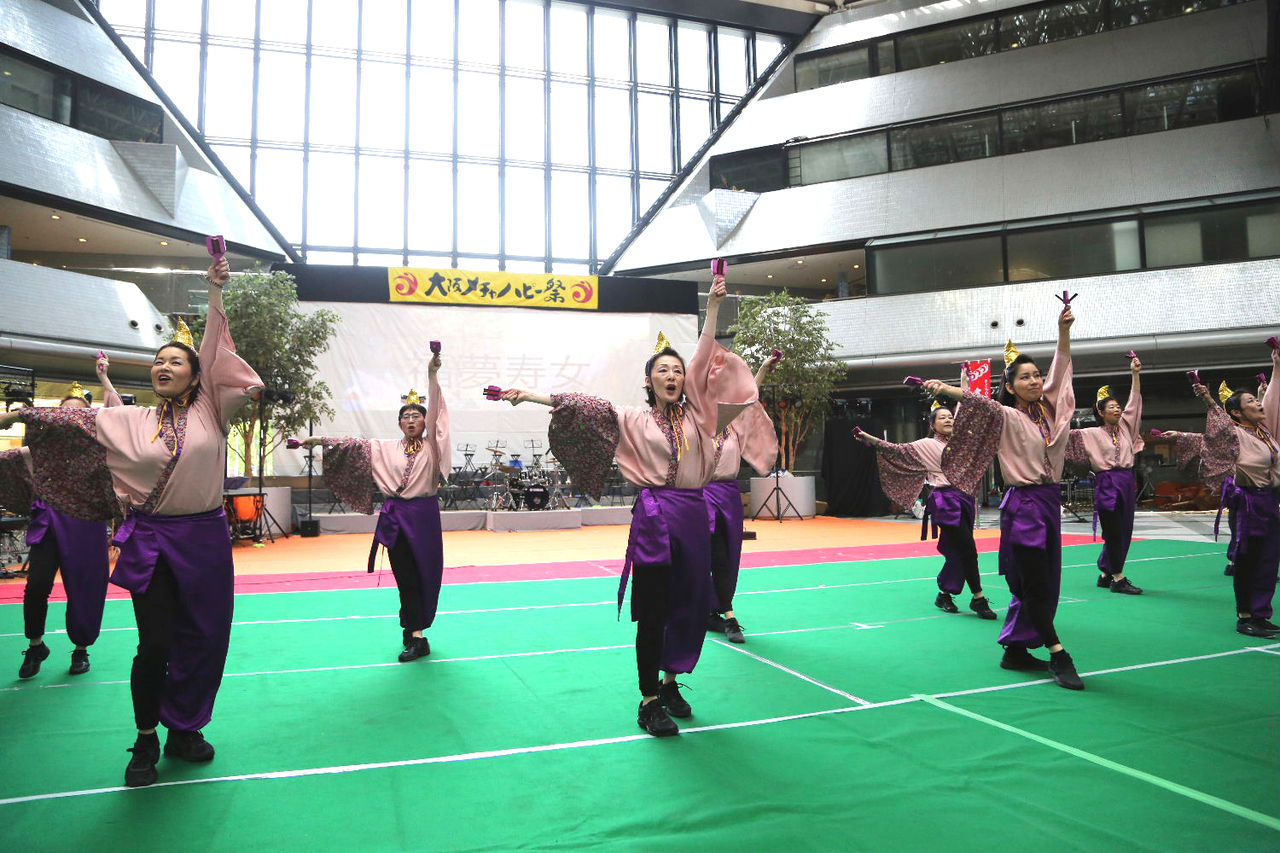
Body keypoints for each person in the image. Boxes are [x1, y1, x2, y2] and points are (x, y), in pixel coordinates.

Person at [0, 256, 263, 787]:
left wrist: (215, 292)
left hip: (205, 542)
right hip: (154, 542)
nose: (163, 366)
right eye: (157, 361)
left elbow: (216, 351)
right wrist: (19, 413)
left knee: (205, 640)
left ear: (196, 376)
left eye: (175, 361)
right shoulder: (129, 419)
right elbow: (77, 417)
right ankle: (145, 739)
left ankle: (184, 727)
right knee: (156, 644)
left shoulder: (212, 410)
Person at [499, 274, 760, 737]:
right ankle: (648, 700)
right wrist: (532, 396)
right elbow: (583, 405)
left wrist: (714, 308)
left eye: (677, 370)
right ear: (648, 380)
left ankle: (671, 683)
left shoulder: (702, 415)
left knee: (690, 604)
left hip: (693, 516)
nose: (672, 376)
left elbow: (704, 355)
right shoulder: (633, 417)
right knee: (654, 609)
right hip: (657, 519)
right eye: (663, 371)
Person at [925, 301, 1085, 691]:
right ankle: (1058, 652)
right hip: (1025, 508)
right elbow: (980, 403)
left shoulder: (1051, 414)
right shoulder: (1006, 415)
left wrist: (1063, 332)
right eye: (1024, 377)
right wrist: (948, 389)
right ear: (1010, 387)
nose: (1034, 381)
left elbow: (1062, 372)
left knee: (1046, 582)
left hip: (1048, 504)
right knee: (1034, 584)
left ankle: (1015, 650)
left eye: (1037, 375)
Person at [297, 354, 449, 663]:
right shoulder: (384, 447)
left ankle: (417, 631)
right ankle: (415, 635)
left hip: (424, 518)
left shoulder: (434, 446)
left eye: (417, 416)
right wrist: (319, 440)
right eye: (406, 416)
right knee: (405, 577)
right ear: (399, 423)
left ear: (425, 422)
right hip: (396, 518)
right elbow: (352, 446)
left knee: (426, 574)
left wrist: (431, 375)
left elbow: (439, 416)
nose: (411, 420)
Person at [3, 361, 122, 679]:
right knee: (36, 585)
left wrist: (104, 378)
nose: (69, 418)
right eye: (63, 412)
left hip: (87, 525)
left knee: (86, 588)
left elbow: (118, 416)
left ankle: (81, 649)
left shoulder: (101, 450)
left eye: (77, 413)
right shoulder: (35, 450)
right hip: (49, 523)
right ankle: (35, 645)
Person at [1160, 349, 1279, 639]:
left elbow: (1273, 401)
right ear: (1236, 413)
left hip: (1270, 501)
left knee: (1269, 561)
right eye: (1251, 401)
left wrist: (1276, 366)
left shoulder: (1265, 433)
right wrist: (1206, 398)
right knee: (1248, 560)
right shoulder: (1234, 435)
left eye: (1257, 399)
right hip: (1248, 502)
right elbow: (1212, 433)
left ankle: (1262, 614)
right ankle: (1245, 616)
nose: (1258, 403)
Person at [855, 393, 997, 620]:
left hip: (965, 500)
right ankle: (978, 598)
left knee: (957, 551)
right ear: (932, 425)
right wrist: (869, 438)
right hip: (946, 502)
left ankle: (944, 595)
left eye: (950, 416)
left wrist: (964, 382)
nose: (948, 420)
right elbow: (895, 449)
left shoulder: (961, 443)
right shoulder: (926, 445)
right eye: (942, 417)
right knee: (968, 549)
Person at [705, 351, 780, 644]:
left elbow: (749, 396)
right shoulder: (694, 421)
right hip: (701, 495)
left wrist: (762, 369)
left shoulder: (734, 423)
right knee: (712, 555)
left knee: (729, 555)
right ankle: (727, 615)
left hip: (728, 495)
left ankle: (715, 610)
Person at [1066, 356, 1145, 595]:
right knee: (1113, 531)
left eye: (1118, 406)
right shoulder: (1088, 433)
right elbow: (1061, 434)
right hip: (1107, 482)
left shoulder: (1127, 429)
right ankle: (1117, 577)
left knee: (1125, 529)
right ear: (1100, 412)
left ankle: (1105, 573)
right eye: (1111, 407)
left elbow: (1135, 402)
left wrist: (1135, 374)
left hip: (1126, 481)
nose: (1118, 409)